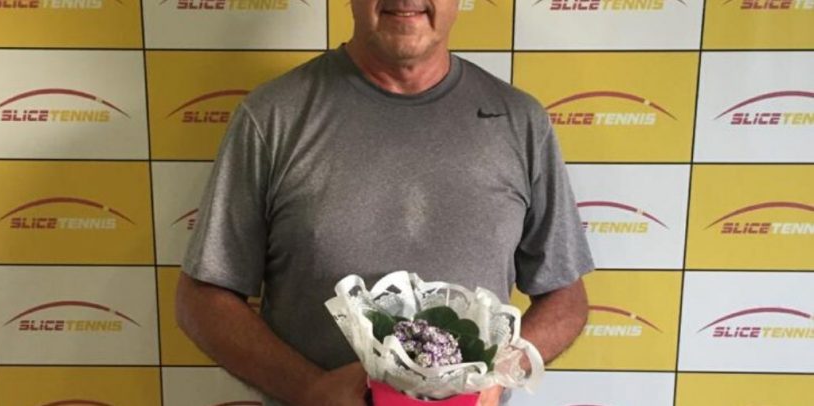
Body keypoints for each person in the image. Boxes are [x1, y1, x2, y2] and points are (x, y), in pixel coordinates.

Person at [175, 1, 594, 405]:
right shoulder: (273, 118)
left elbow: (565, 296)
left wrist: (499, 372)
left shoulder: (520, 122)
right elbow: (202, 298)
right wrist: (311, 391)